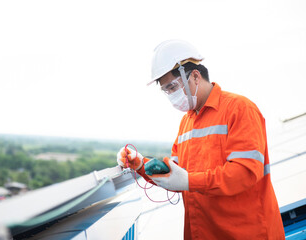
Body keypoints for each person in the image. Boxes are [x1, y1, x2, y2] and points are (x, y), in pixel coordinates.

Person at [116, 39, 285, 239]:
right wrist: (140, 164)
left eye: (172, 87)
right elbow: (174, 174)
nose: (170, 95)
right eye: (166, 91)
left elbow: (244, 172)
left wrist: (189, 181)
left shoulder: (239, 109)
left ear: (195, 76)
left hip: (246, 234)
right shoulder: (187, 122)